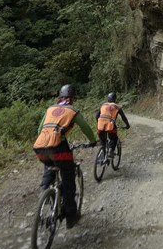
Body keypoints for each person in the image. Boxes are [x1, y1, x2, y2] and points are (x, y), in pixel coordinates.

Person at [33, 84, 97, 229]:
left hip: (40, 147)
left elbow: (39, 129)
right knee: (68, 178)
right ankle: (71, 216)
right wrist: (92, 141)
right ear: (73, 97)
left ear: (60, 97)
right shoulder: (72, 110)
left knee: (49, 169)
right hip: (59, 148)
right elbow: (85, 127)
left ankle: (45, 196)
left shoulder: (50, 109)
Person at [96, 92, 130, 157]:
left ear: (108, 99)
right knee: (114, 138)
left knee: (103, 142)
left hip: (100, 126)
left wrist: (99, 123)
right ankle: (110, 151)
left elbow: (96, 116)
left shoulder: (103, 105)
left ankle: (102, 155)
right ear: (115, 99)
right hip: (110, 126)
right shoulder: (117, 107)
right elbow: (123, 117)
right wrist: (127, 125)